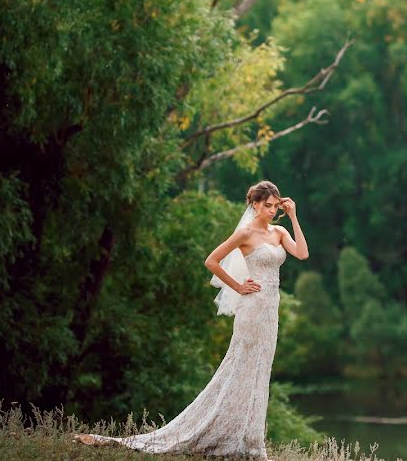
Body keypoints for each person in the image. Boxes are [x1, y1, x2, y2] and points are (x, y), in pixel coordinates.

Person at [74, 180, 309, 460]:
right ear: (255, 205)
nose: (271, 210)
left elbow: (303, 253)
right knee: (241, 368)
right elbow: (212, 261)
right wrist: (237, 286)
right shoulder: (245, 233)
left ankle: (250, 440)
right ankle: (232, 438)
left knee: (261, 371)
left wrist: (293, 216)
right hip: (252, 309)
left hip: (271, 311)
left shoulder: (280, 231)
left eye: (274, 206)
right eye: (266, 205)